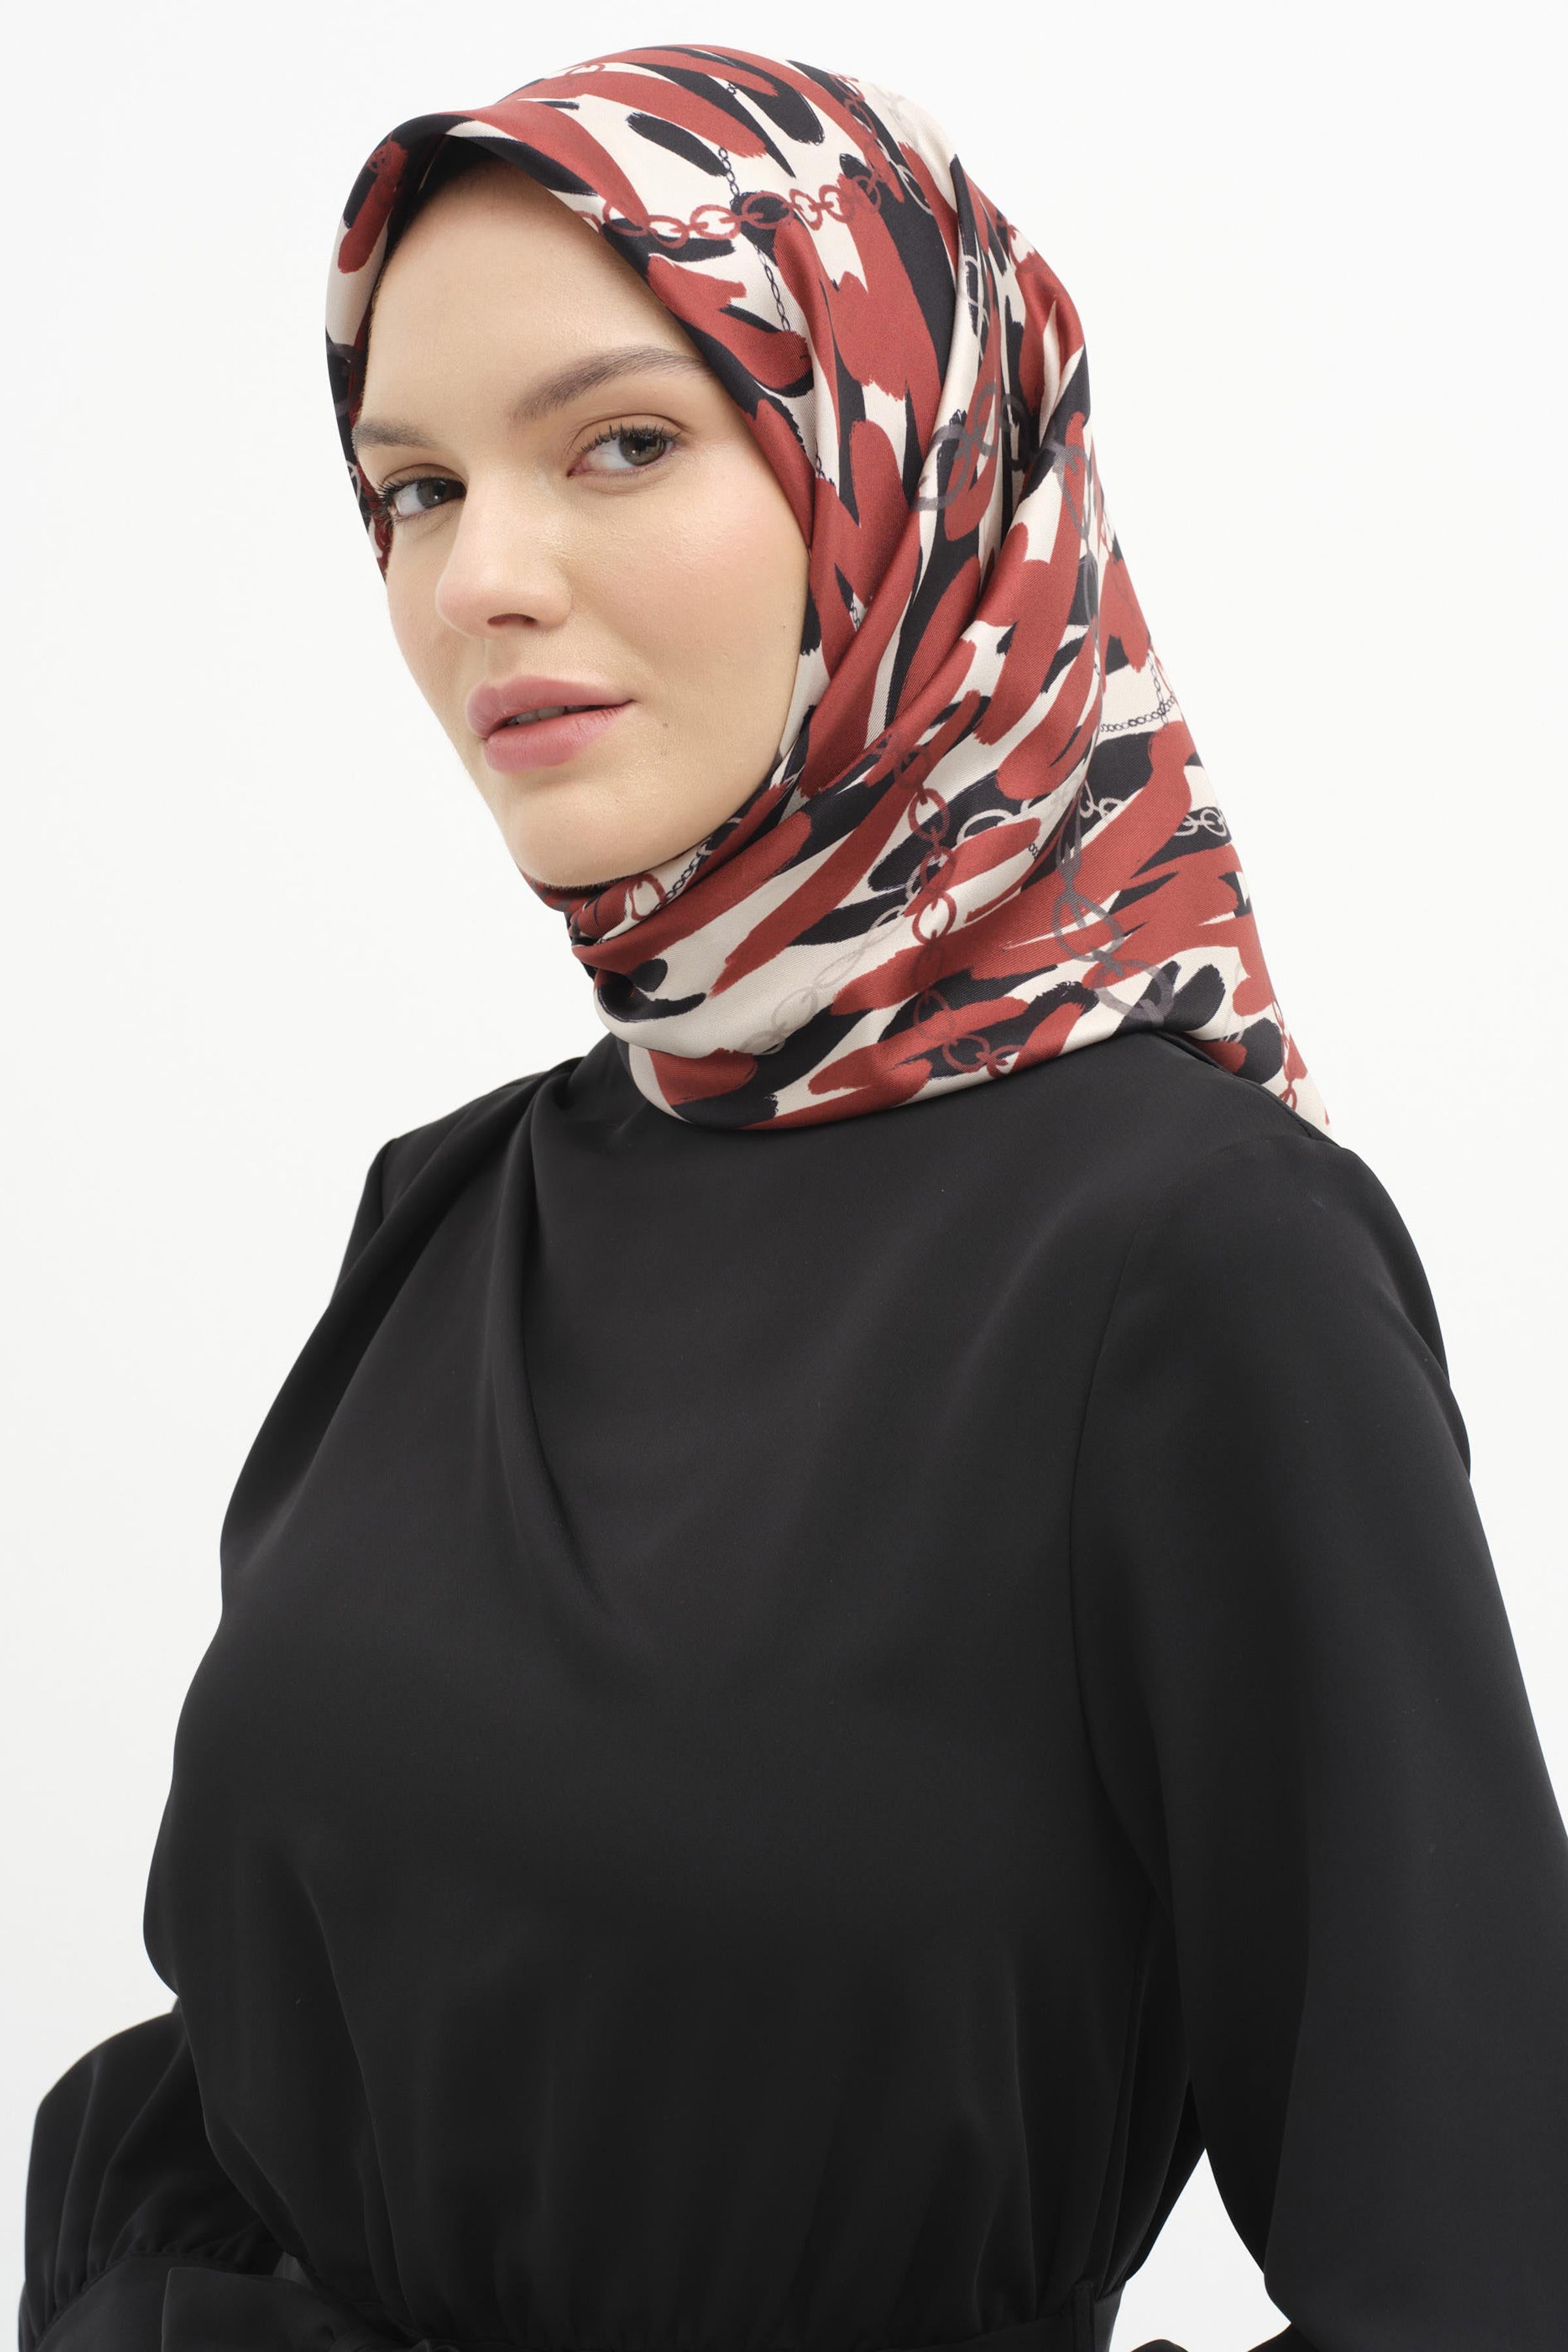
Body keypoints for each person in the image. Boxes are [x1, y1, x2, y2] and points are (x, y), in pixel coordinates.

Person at [17, 44, 1568, 2352]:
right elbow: (248, 2080)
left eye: (620, 442)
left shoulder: (1190, 1260)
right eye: (414, 488)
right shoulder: (448, 1210)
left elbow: (1485, 2264)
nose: (479, 579)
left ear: (906, 472)